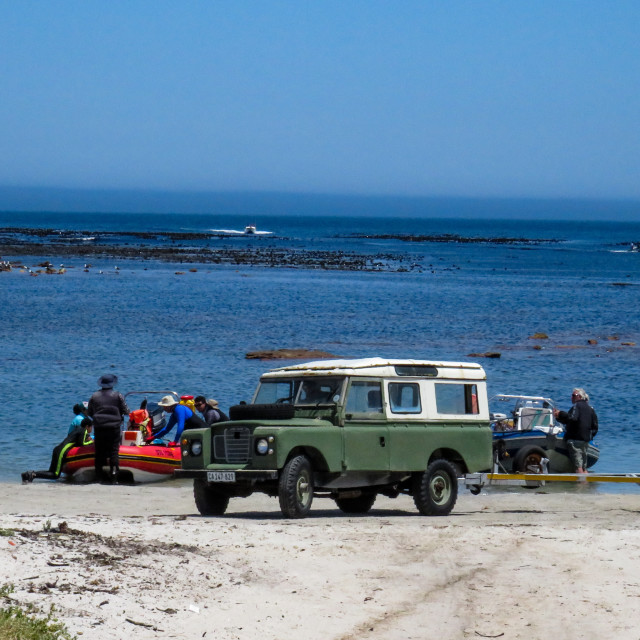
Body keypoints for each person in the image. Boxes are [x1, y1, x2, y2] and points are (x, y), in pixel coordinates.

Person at [22, 417, 94, 482]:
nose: (92, 429)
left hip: (58, 449)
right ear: (87, 426)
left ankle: (29, 475)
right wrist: (91, 441)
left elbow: (77, 442)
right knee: (55, 475)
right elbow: (81, 444)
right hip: (61, 451)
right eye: (91, 427)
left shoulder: (78, 429)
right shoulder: (83, 430)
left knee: (51, 472)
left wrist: (87, 440)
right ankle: (32, 474)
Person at [87, 373, 129, 483]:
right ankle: (114, 475)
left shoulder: (94, 396)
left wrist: (97, 418)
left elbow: (89, 412)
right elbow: (126, 410)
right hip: (114, 426)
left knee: (99, 451)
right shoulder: (118, 395)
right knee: (114, 451)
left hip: (99, 426)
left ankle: (99, 476)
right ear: (112, 384)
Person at [553, 388, 598, 474]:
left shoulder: (577, 406)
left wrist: (560, 414)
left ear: (580, 397)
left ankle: (580, 486)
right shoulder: (590, 409)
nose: (571, 397)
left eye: (574, 396)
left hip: (575, 440)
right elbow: (594, 426)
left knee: (578, 467)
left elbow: (572, 418)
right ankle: (586, 486)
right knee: (584, 467)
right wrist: (589, 437)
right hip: (585, 440)